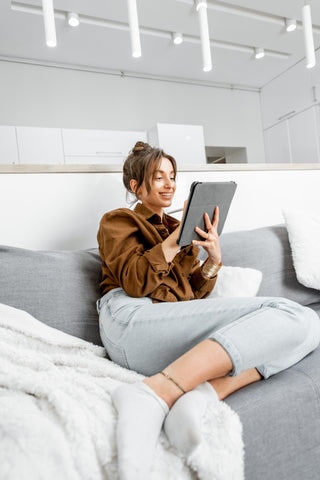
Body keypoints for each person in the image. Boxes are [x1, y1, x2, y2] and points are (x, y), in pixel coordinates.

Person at [97, 141, 320, 480]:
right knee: (291, 314)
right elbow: (135, 281)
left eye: (172, 176)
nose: (170, 184)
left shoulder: (177, 229)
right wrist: (174, 243)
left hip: (166, 329)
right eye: (158, 178)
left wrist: (213, 260)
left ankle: (200, 394)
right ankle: (154, 392)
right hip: (130, 318)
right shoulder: (119, 221)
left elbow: (193, 295)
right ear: (136, 187)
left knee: (308, 328)